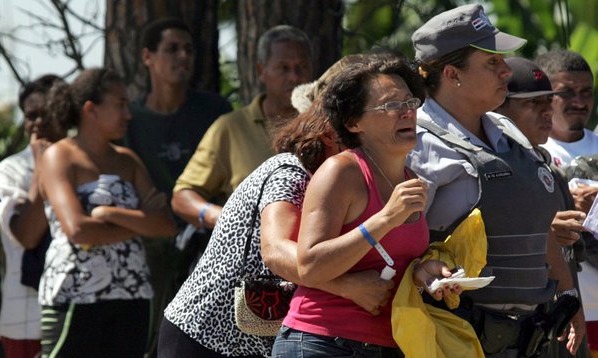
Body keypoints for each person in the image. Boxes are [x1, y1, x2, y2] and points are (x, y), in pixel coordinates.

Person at [159, 54, 406, 357]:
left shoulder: (346, 180)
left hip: (253, 338)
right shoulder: (291, 172)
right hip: (205, 337)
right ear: (331, 129)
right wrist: (347, 286)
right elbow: (277, 252)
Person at [407, 4, 584, 357]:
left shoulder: (507, 130)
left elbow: (538, 230)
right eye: (492, 62)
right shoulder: (418, 142)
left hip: (530, 337)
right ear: (452, 74)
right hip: (456, 338)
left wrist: (568, 297)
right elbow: (397, 244)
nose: (506, 71)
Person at [272, 56, 462, 357]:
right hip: (321, 343)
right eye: (391, 105)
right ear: (353, 122)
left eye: (410, 102)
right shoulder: (340, 172)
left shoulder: (408, 178)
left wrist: (424, 273)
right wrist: (385, 218)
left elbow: (390, 261)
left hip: (388, 345)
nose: (407, 112)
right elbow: (309, 265)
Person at [36, 68, 176, 357]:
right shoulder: (59, 156)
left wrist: (108, 213)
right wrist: (139, 224)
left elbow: (165, 225)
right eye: (120, 104)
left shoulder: (128, 160)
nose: (128, 113)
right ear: (91, 109)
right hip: (75, 294)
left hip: (132, 294)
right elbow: (78, 230)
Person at [123, 18, 232, 355]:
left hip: (208, 242)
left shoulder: (215, 110)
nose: (183, 56)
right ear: (147, 57)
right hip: (148, 247)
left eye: (188, 49)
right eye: (172, 49)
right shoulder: (130, 118)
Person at [171, 24, 313, 232]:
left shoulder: (327, 128)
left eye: (301, 68)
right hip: (249, 256)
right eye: (283, 68)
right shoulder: (230, 128)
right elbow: (183, 196)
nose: (294, 77)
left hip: (313, 253)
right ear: (261, 71)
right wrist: (227, 220)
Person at [494, 56, 589, 358]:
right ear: (498, 110)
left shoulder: (548, 170)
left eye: (549, 101)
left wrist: (570, 300)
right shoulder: (490, 171)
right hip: (506, 329)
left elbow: (572, 255)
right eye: (532, 103)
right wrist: (542, 229)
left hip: (557, 322)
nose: (547, 111)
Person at [536, 49, 598, 357]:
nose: (579, 102)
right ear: (545, 95)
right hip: (560, 310)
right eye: (566, 93)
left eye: (586, 93)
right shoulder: (530, 152)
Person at [0, 75, 71, 358]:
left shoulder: (87, 162)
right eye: (31, 116)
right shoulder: (10, 171)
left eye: (47, 114)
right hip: (26, 321)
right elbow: (27, 236)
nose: (38, 123)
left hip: (79, 312)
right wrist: (43, 169)